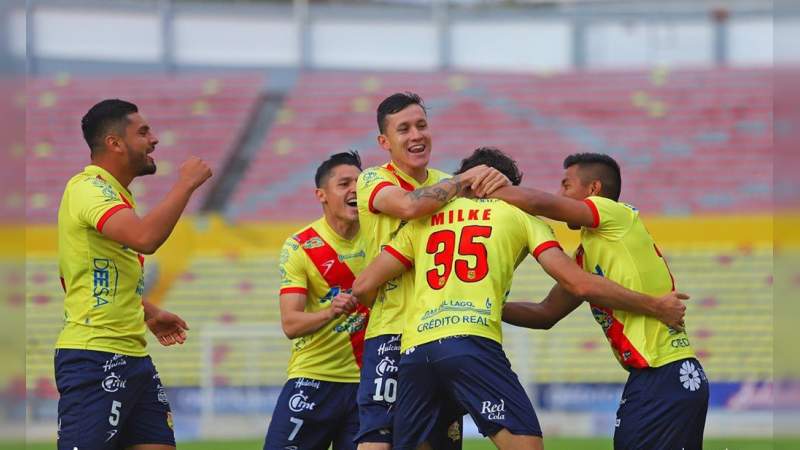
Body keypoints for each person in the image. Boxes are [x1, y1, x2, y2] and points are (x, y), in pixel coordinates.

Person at [338, 147, 688, 450]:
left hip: (415, 352)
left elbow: (365, 284)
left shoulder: (424, 221)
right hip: (471, 343)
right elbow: (575, 283)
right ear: (499, 183)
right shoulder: (520, 216)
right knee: (525, 443)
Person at [490, 152, 709, 450]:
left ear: (593, 190)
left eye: (566, 186)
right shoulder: (588, 254)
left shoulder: (614, 214)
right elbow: (545, 313)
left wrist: (482, 187)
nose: (559, 194)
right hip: (667, 376)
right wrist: (488, 307)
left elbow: (540, 203)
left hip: (662, 373)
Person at [355, 93, 509, 449]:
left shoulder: (445, 182)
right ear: (384, 142)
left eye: (421, 125)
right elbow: (410, 206)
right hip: (393, 330)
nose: (416, 136)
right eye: (403, 129)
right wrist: (464, 180)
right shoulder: (373, 180)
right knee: (379, 439)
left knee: (440, 441)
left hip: (441, 334)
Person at [55, 99, 212, 450]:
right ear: (114, 143)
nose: (154, 139)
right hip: (94, 357)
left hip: (134, 358)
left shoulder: (115, 197)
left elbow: (95, 276)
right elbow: (145, 238)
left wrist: (150, 312)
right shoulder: (88, 189)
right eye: (143, 132)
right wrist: (185, 184)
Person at [263, 151, 369, 450]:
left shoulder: (380, 236)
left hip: (368, 384)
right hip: (314, 378)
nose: (354, 190)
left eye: (359, 183)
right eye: (344, 183)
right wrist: (329, 312)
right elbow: (291, 324)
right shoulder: (300, 246)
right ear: (321, 195)